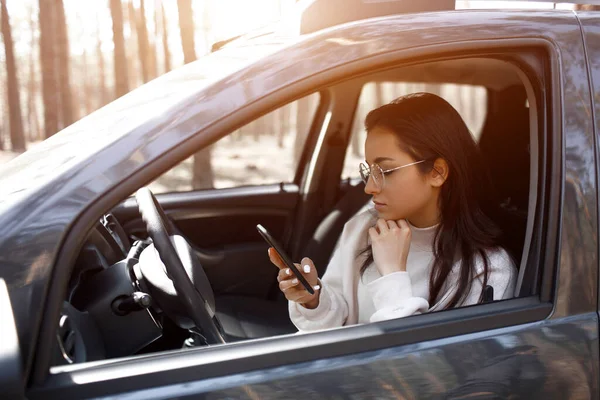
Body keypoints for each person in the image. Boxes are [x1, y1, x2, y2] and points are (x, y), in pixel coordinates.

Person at [268, 92, 517, 331]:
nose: (369, 187)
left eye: (385, 171)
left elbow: (429, 365)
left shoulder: (487, 268)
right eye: (369, 171)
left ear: (437, 172)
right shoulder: (363, 227)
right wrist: (314, 298)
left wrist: (393, 274)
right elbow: (342, 317)